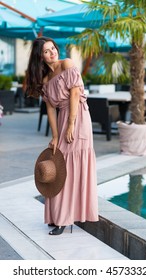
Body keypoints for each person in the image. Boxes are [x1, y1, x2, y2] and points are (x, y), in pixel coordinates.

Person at [25, 36, 99, 235]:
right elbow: (50, 109)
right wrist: (56, 135)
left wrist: (72, 124)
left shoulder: (67, 63)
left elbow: (75, 94)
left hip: (79, 117)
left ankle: (65, 218)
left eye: (53, 48)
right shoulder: (45, 80)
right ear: (40, 57)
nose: (52, 52)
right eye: (47, 51)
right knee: (61, 166)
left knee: (71, 165)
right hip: (63, 119)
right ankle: (56, 216)